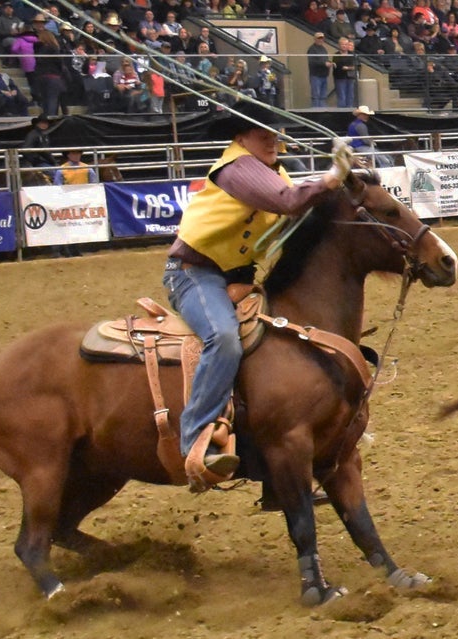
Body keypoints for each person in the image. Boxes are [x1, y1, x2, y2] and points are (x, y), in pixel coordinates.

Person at [164, 100, 354, 492]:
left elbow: (296, 201)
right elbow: (288, 200)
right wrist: (333, 177)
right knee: (224, 339)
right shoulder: (237, 168)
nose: (273, 140)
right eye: (262, 133)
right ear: (241, 137)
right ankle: (195, 440)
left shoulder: (271, 170)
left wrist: (337, 182)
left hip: (237, 276)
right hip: (195, 275)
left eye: (275, 132)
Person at [307, 32, 331, 107]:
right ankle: (316, 111)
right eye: (319, 38)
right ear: (315, 39)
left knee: (323, 96)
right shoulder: (312, 49)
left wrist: (329, 63)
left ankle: (323, 111)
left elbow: (326, 59)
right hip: (315, 75)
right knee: (316, 96)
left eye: (322, 38)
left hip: (324, 75)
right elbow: (312, 62)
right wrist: (324, 64)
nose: (321, 40)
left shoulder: (323, 49)